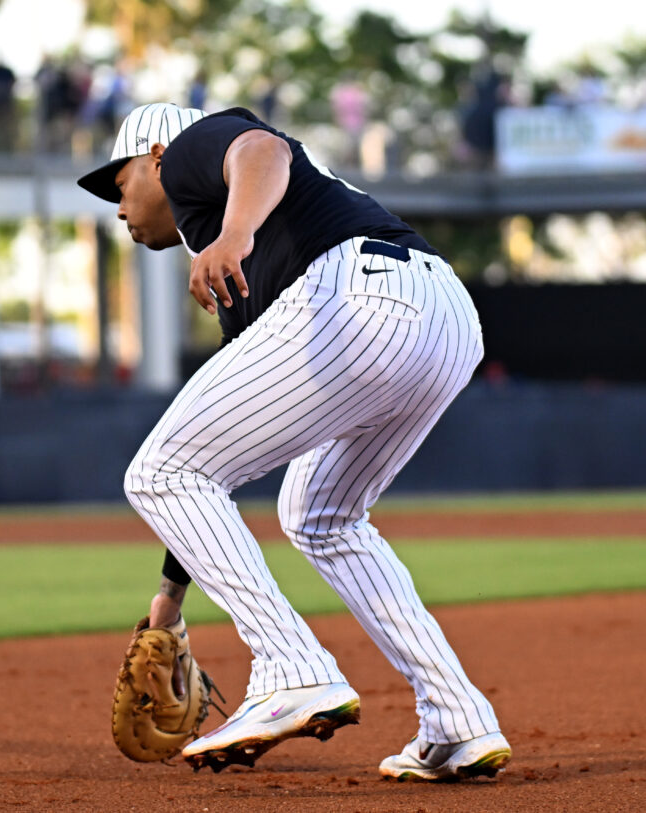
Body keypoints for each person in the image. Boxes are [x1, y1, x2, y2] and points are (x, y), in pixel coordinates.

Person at [77, 103, 510, 780]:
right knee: (318, 513)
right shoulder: (236, 270)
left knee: (157, 472)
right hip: (445, 320)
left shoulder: (194, 156)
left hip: (359, 300)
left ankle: (292, 667)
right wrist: (170, 599)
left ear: (156, 155)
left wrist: (236, 231)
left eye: (119, 179)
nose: (119, 202)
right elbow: (211, 461)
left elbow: (261, 149)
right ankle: (458, 717)